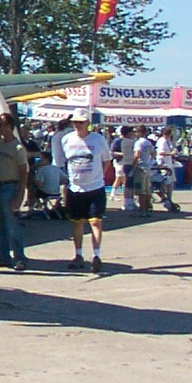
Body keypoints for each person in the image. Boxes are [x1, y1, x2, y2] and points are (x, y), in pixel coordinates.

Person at [60, 109, 113, 273]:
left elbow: (107, 160)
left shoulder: (98, 140)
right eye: (75, 122)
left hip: (95, 187)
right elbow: (63, 162)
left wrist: (99, 176)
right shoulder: (66, 139)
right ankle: (78, 254)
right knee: (77, 222)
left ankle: (96, 255)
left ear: (88, 123)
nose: (78, 125)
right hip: (75, 188)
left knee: (95, 221)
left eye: (81, 122)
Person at [0, 113, 29, 270]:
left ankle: (20, 258)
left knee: (12, 225)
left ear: (9, 126)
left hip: (10, 186)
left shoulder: (18, 147)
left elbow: (24, 172)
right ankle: (3, 256)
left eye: (1, 124)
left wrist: (20, 195)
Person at [133, 126, 156, 216]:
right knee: (147, 190)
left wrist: (133, 165)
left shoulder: (138, 143)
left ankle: (142, 210)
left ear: (139, 132)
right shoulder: (148, 142)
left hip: (140, 167)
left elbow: (137, 155)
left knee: (140, 191)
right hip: (148, 167)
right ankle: (147, 209)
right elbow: (153, 153)